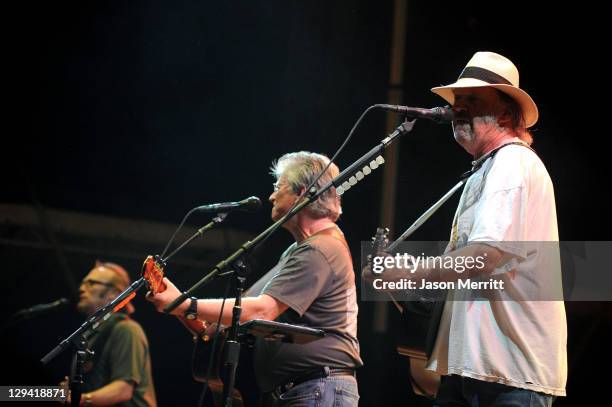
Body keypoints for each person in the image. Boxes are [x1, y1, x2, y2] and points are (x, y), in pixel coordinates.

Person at [366, 51, 567, 405]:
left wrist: (409, 273)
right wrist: (395, 279)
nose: (458, 108)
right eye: (458, 100)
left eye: (472, 101)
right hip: (476, 372)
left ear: (506, 114)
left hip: (506, 378)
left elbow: (482, 258)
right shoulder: (486, 170)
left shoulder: (511, 165)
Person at [148, 151, 362, 406]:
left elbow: (262, 310)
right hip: (309, 389)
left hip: (318, 389)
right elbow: (239, 315)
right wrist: (182, 307)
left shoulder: (320, 249)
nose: (272, 195)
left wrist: (185, 304)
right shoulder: (300, 250)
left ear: (301, 192)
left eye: (278, 186)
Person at [65, 261, 157, 406]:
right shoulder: (90, 334)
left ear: (113, 294)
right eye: (83, 283)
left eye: (91, 283)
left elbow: (123, 390)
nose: (82, 289)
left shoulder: (126, 329)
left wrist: (82, 399)